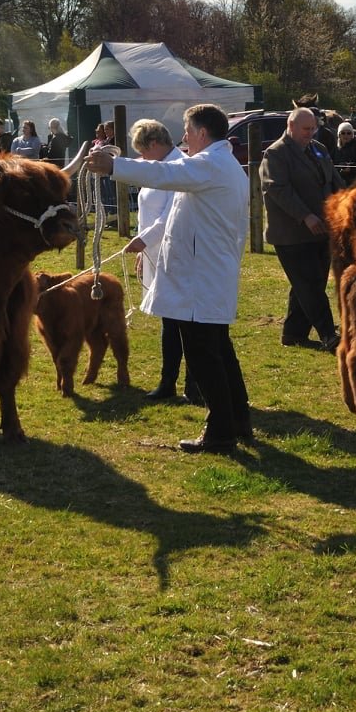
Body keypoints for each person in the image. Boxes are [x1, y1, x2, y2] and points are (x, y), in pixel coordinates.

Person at [87, 104, 250, 454]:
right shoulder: (222, 164)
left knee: (205, 357)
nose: (184, 138)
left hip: (199, 279)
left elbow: (164, 175)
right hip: (205, 276)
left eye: (188, 132)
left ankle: (221, 432)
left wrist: (114, 165)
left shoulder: (210, 165)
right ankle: (237, 421)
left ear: (203, 134)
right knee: (220, 352)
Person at [124, 119, 198, 404]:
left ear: (154, 145)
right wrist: (145, 251)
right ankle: (168, 381)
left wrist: (144, 240)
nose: (142, 159)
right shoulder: (160, 168)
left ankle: (192, 384)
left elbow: (169, 216)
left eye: (143, 152)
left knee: (185, 324)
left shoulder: (178, 169)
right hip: (157, 252)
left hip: (176, 254)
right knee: (170, 321)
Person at [261, 107, 342, 352]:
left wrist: (348, 202)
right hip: (291, 234)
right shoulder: (275, 154)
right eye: (306, 129)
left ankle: (294, 334)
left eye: (313, 128)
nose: (311, 133)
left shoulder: (320, 149)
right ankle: (329, 334)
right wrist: (304, 216)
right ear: (291, 126)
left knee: (310, 284)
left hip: (322, 230)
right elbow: (277, 189)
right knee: (308, 283)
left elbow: (333, 180)